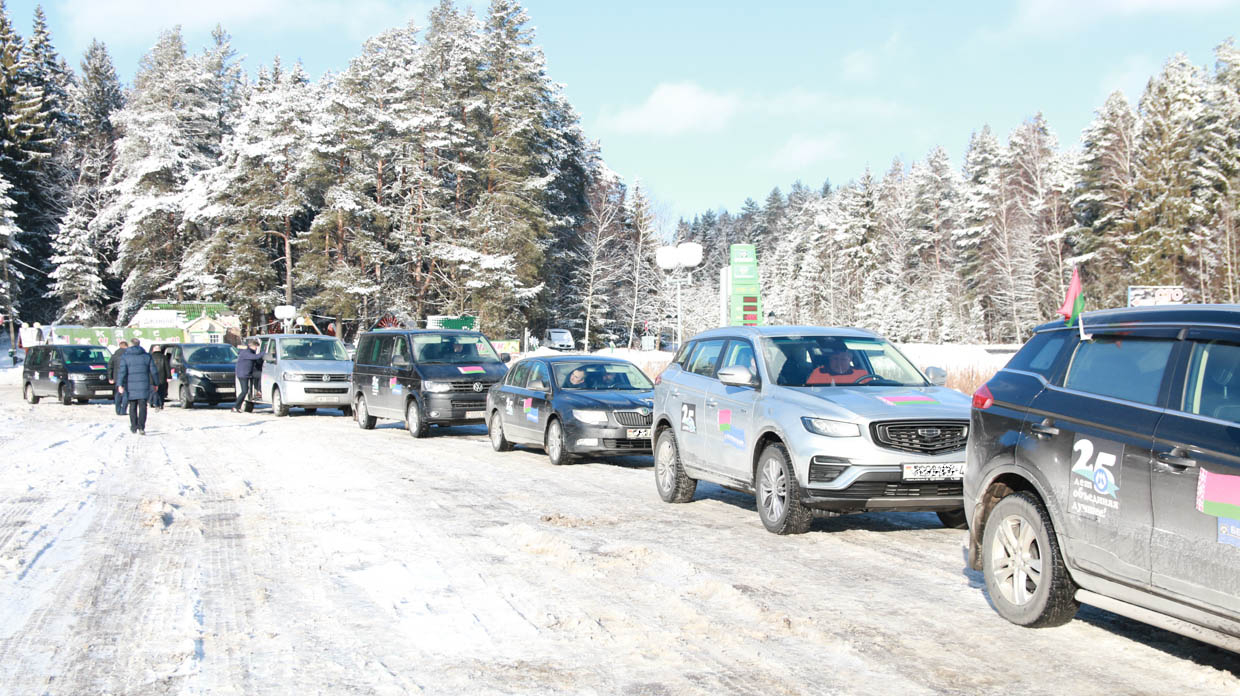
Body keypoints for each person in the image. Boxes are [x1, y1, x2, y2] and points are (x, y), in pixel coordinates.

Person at [116, 338, 158, 435]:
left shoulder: (125, 357)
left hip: (130, 385)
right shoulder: (147, 356)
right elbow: (154, 371)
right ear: (139, 344)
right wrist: (156, 383)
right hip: (143, 385)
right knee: (143, 406)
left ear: (130, 345)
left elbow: (122, 372)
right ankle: (141, 427)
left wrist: (120, 384)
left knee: (133, 405)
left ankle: (134, 426)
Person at [806, 347, 870, 386]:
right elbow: (810, 392)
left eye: (843, 359)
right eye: (835, 359)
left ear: (850, 360)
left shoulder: (862, 374)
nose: (839, 362)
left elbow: (871, 391)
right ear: (830, 359)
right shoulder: (819, 373)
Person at [233, 338, 263, 412]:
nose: (256, 348)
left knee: (261, 375)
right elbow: (255, 357)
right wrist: (264, 352)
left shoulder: (250, 351)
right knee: (244, 391)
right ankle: (236, 407)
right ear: (252, 346)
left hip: (248, 373)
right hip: (243, 375)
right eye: (256, 347)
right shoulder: (245, 352)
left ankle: (259, 390)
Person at [108, 340, 129, 416]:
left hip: (116, 377)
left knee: (117, 394)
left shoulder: (114, 355)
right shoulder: (128, 355)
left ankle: (118, 410)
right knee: (126, 394)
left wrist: (110, 377)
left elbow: (110, 367)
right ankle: (123, 410)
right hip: (127, 377)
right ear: (126, 346)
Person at [149, 344, 170, 409]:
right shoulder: (164, 357)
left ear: (153, 350)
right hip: (162, 377)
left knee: (154, 391)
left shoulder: (150, 357)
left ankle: (155, 403)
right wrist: (169, 376)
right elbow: (167, 367)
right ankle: (161, 404)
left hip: (152, 377)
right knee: (161, 391)